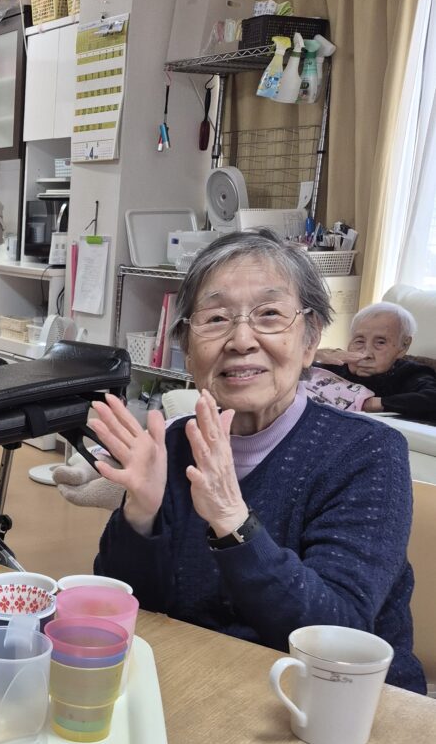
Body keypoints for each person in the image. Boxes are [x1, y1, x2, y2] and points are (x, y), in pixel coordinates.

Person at [89, 231, 425, 693]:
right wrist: (140, 516)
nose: (241, 339)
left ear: (310, 341)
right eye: (216, 318)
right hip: (200, 689)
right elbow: (126, 616)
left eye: (269, 314)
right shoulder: (171, 446)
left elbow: (339, 637)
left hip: (340, 707)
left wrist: (232, 518)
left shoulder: (368, 452)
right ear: (188, 348)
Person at [315, 301, 436, 422]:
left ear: (403, 346)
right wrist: (316, 355)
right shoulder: (334, 365)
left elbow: (431, 398)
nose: (366, 354)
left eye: (380, 342)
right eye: (359, 341)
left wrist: (369, 403)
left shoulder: (411, 373)